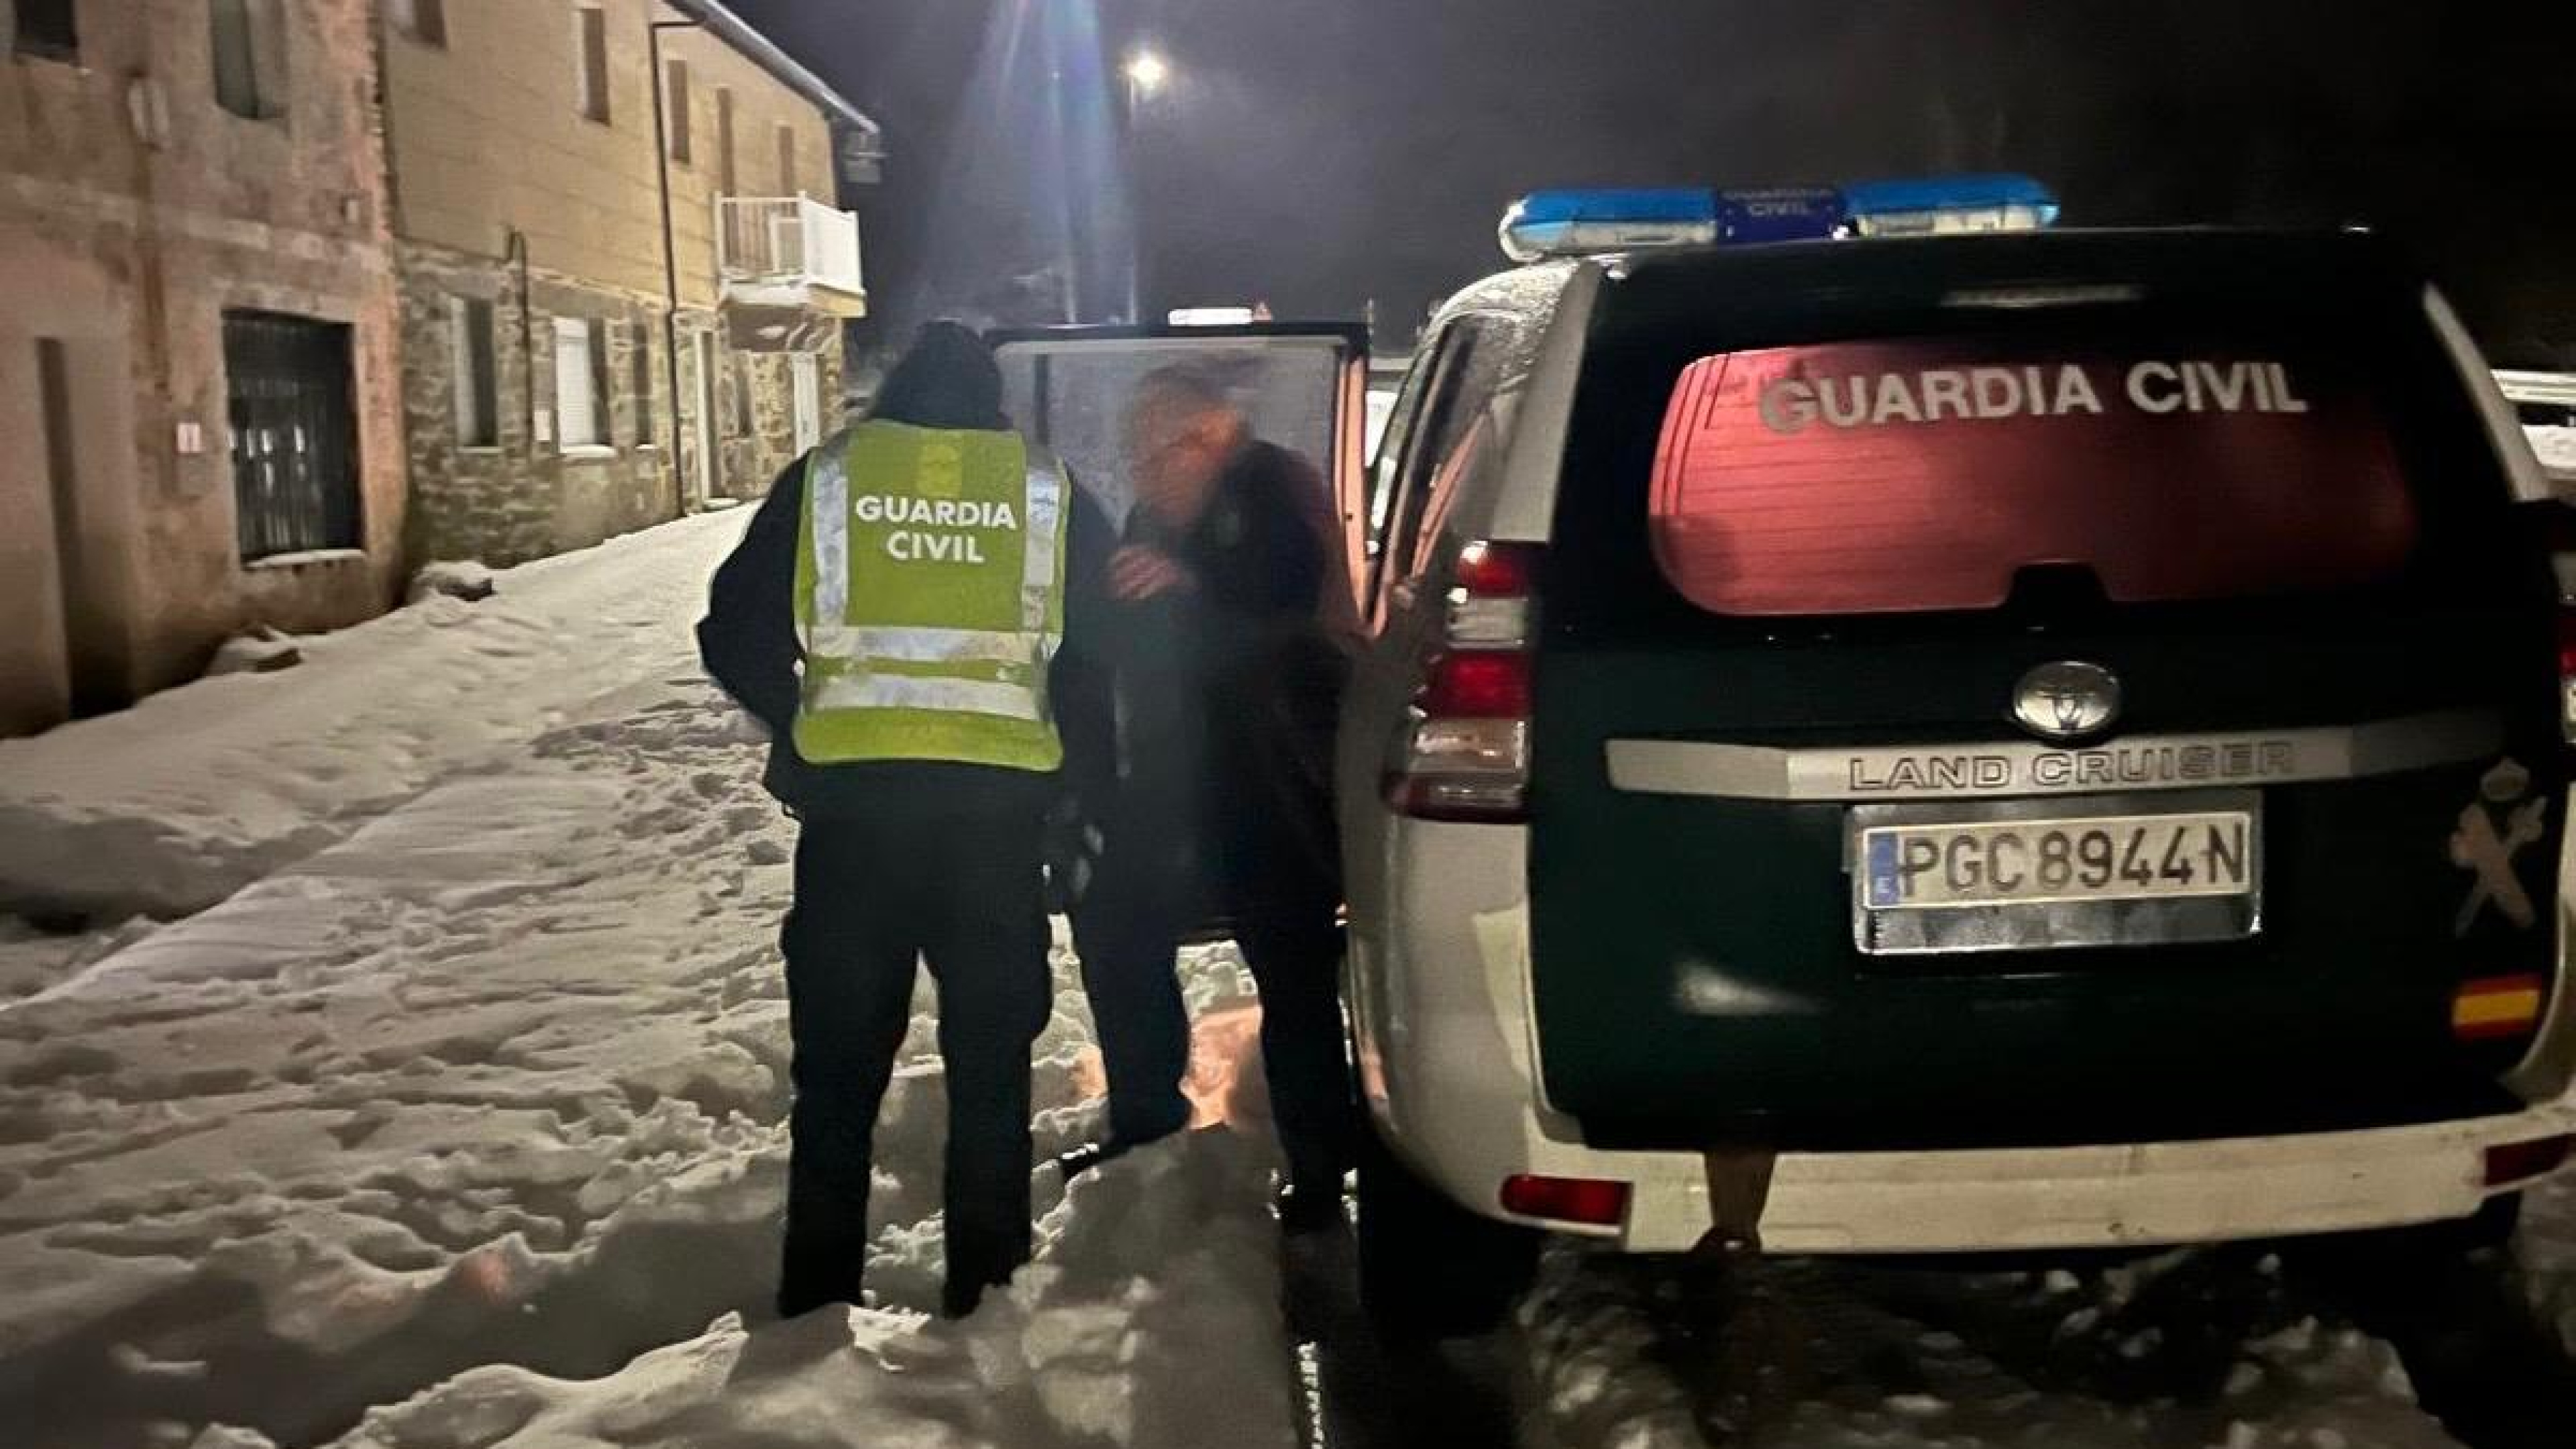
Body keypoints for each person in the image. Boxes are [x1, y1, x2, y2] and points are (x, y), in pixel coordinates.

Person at [698, 321, 1108, 1319]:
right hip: (997, 827)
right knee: (990, 1062)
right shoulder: (1045, 489)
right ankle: (987, 1285)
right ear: (993, 402)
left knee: (837, 1073)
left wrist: (799, 730)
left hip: (854, 828)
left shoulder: (829, 477)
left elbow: (731, 627)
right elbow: (1099, 660)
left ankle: (817, 1295)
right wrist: (1081, 797)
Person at [1057, 364, 1358, 1231]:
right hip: (1176, 781)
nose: (1148, 465)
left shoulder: (1274, 489)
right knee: (1115, 924)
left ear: (1213, 436)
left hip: (1276, 781)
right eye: (1137, 450)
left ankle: (1320, 1167)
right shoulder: (1155, 518)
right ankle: (1148, 1118)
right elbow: (1133, 637)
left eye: (1166, 444)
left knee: (1294, 968)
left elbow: (1287, 598)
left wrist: (1191, 588)